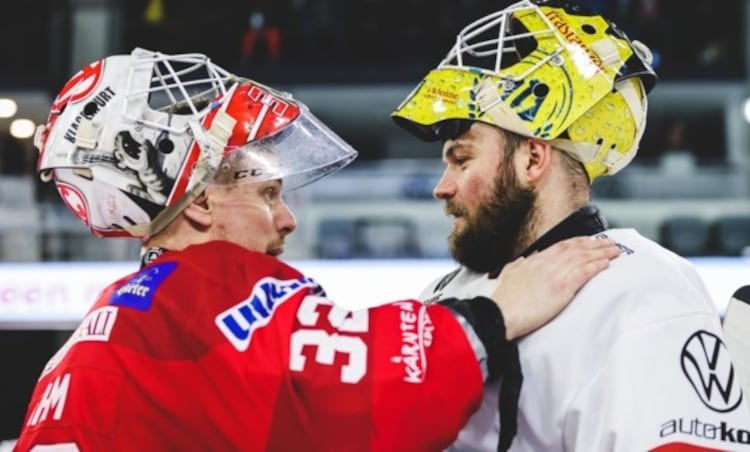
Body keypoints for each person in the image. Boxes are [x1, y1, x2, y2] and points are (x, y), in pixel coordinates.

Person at [13, 48, 619, 451]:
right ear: (198, 203)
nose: (287, 219)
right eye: (268, 193)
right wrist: (497, 311)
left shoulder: (99, 332)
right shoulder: (214, 287)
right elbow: (374, 388)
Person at [391, 1, 750, 451]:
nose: (441, 188)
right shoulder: (442, 294)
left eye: (462, 159)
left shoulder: (641, 289)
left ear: (532, 158)